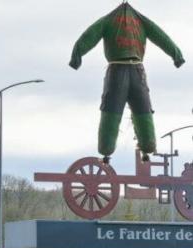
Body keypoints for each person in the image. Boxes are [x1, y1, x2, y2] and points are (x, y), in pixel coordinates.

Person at [69, 2, 184, 164]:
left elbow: (89, 36)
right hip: (137, 72)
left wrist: (76, 58)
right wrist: (177, 56)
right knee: (143, 113)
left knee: (110, 113)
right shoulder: (142, 21)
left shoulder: (107, 21)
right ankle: (147, 147)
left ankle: (106, 150)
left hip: (116, 73)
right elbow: (161, 36)